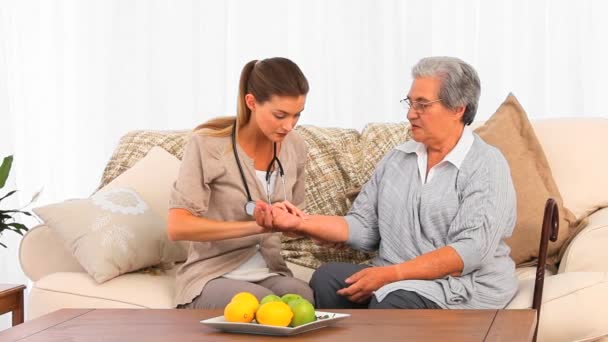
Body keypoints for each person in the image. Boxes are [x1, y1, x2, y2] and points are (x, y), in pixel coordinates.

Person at [255, 56, 518, 310]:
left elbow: (471, 251)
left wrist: (391, 275)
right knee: (328, 279)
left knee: (392, 301)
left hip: (461, 286)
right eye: (410, 103)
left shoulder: (486, 165)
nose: (410, 115)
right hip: (397, 276)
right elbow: (363, 227)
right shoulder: (398, 159)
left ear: (458, 109)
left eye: (422, 105)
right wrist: (300, 223)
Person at [167, 57, 314, 309]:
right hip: (211, 274)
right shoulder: (207, 145)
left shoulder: (295, 147)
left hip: (269, 271)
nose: (289, 126)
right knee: (257, 305)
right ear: (251, 102)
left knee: (303, 297)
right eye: (280, 115)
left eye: (296, 115)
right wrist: (257, 227)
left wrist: (296, 223)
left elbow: (291, 228)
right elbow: (178, 226)